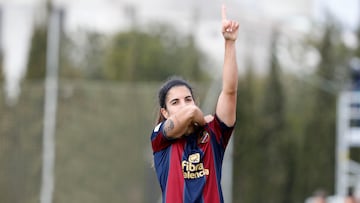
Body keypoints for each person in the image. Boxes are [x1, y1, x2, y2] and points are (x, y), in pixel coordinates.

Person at [150, 4, 239, 203]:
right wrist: (198, 116)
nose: (184, 105)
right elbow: (190, 113)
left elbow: (230, 91)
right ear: (165, 113)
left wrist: (229, 43)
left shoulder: (214, 133)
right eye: (175, 102)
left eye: (188, 99)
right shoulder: (160, 138)